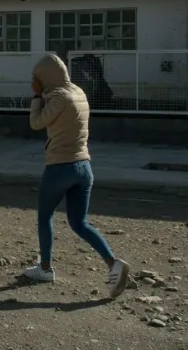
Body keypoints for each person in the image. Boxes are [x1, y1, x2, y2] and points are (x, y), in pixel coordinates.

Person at [23, 53, 130, 299]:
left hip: (60, 167)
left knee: (45, 216)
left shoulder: (59, 97)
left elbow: (36, 122)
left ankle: (46, 269)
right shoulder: (79, 92)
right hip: (84, 166)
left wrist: (38, 96)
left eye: (37, 78)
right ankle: (113, 263)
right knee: (79, 222)